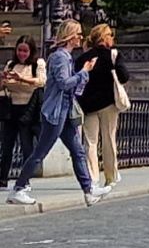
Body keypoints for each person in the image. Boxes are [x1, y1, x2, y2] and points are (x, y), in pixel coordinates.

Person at [5, 19, 101, 209]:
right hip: (56, 111)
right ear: (70, 37)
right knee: (40, 152)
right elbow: (65, 83)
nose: (81, 38)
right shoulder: (59, 57)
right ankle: (18, 188)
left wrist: (83, 75)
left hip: (64, 110)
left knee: (77, 151)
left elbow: (72, 87)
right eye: (79, 34)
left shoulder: (66, 57)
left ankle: (89, 190)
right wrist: (84, 72)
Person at [75, 23, 131, 192]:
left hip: (88, 105)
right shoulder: (112, 55)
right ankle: (110, 176)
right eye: (111, 36)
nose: (113, 39)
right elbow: (124, 76)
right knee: (109, 139)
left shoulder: (83, 58)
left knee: (90, 142)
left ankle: (93, 178)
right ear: (105, 38)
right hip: (108, 103)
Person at [0, 35, 45, 189]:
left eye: (25, 51)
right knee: (7, 146)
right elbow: (5, 85)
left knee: (27, 146)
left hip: (29, 108)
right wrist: (4, 80)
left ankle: (24, 179)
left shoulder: (37, 64)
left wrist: (22, 80)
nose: (22, 54)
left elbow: (40, 81)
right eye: (19, 50)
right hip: (12, 108)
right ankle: (3, 178)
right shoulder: (11, 64)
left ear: (31, 52)